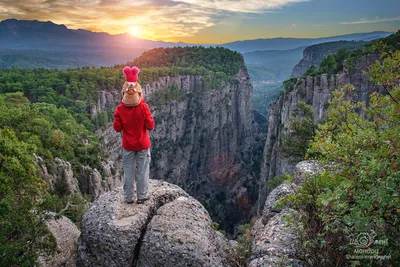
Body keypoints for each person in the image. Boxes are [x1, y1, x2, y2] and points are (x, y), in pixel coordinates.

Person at [113, 66, 154, 204]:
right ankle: (142, 196)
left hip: (128, 145)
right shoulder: (144, 107)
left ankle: (128, 198)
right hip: (142, 144)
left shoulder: (119, 109)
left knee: (128, 171)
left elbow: (117, 128)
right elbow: (150, 126)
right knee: (142, 170)